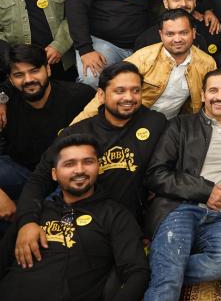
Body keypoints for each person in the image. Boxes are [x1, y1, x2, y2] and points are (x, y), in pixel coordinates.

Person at [13, 62, 169, 267]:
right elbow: (39, 179)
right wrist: (27, 222)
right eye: (119, 91)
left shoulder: (155, 122)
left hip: (131, 225)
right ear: (101, 95)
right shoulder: (77, 133)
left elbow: (169, 167)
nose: (129, 97)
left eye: (135, 90)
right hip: (84, 223)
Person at [144, 69, 221, 301]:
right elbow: (155, 174)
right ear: (203, 95)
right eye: (213, 91)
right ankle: (166, 272)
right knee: (168, 285)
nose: (219, 97)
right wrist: (204, 190)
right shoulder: (181, 125)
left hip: (220, 217)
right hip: (179, 208)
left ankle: (162, 266)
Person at [0, 134, 149, 301]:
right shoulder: (34, 214)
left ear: (98, 166)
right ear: (54, 174)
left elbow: (137, 272)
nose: (79, 170)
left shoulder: (115, 215)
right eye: (69, 164)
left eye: (88, 162)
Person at [0, 45, 95, 224]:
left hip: (67, 175)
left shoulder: (80, 96)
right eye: (19, 75)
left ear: (48, 69)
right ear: (10, 80)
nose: (28, 80)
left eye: (35, 71)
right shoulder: (5, 105)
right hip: (22, 171)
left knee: (50, 219)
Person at [74, 9, 217, 121]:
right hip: (134, 121)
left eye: (183, 33)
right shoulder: (143, 58)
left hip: (173, 124)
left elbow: (212, 102)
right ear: (161, 35)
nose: (177, 39)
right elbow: (106, 94)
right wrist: (75, 128)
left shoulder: (207, 64)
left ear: (193, 33)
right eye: (170, 34)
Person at [133, 0, 221, 54]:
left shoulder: (212, 30)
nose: (183, 4)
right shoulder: (147, 39)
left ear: (194, 1)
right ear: (166, 3)